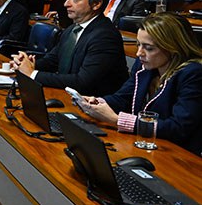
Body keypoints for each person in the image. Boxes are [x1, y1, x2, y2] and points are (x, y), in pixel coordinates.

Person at [77, 12, 202, 155]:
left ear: (173, 48)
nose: (139, 53)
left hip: (179, 155)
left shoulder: (193, 74)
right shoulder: (145, 66)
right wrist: (97, 103)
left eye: (148, 48)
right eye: (138, 45)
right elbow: (123, 97)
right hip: (145, 146)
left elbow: (178, 128)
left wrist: (117, 120)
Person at [12, 0, 127, 96]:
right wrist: (28, 64)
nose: (66, 3)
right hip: (68, 97)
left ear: (96, 4)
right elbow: (53, 60)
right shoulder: (72, 29)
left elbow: (83, 81)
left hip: (95, 105)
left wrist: (32, 74)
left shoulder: (105, 36)